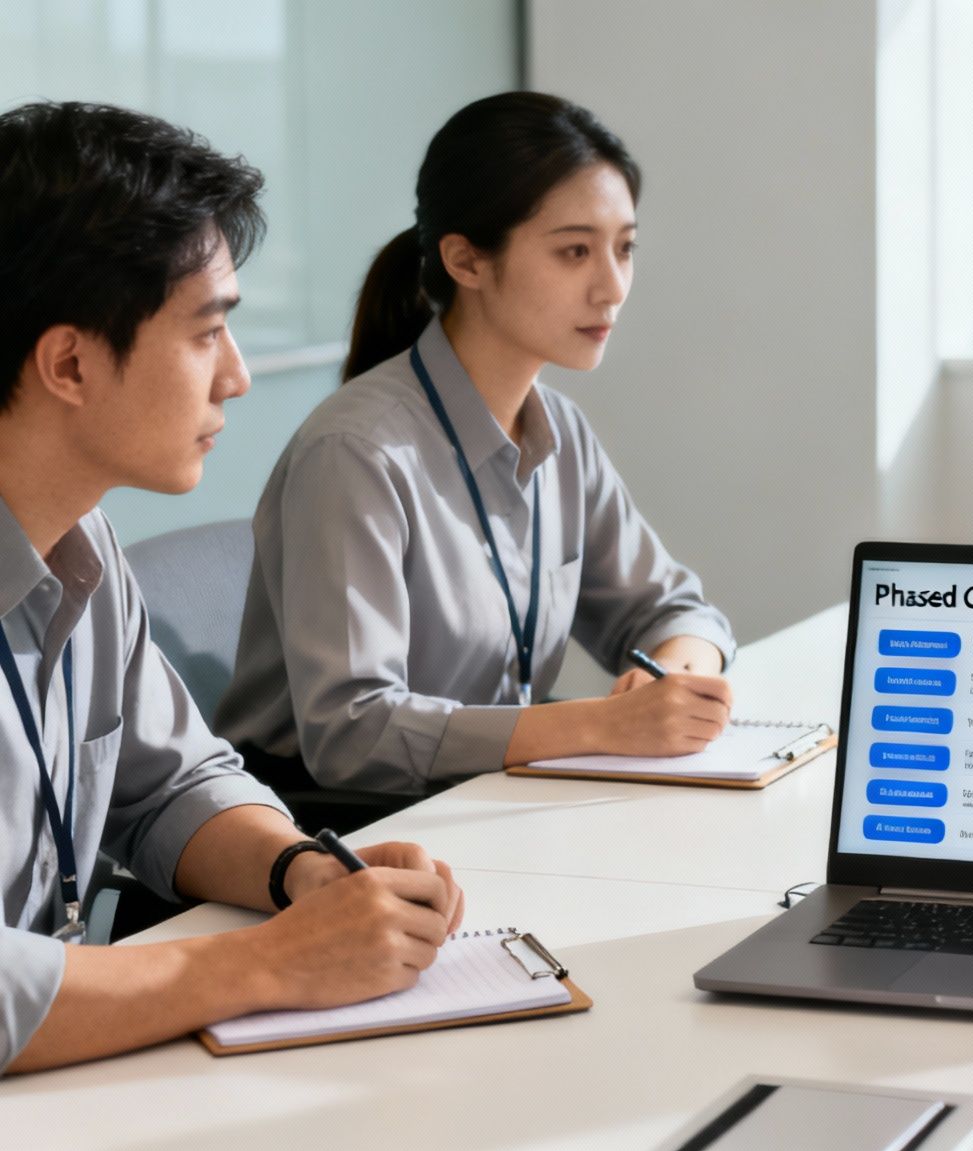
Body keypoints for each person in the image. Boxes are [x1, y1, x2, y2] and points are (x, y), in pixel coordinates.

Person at [0, 101, 465, 1074]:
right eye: (207, 332)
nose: (239, 378)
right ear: (70, 362)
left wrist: (301, 873)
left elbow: (169, 782)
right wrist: (258, 965)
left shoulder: (81, 542)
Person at [216, 92, 738, 799]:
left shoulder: (559, 432)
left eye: (625, 248)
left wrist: (673, 675)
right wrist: (604, 725)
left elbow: (676, 610)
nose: (612, 287)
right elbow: (353, 732)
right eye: (575, 251)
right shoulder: (356, 453)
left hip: (489, 801)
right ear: (467, 261)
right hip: (345, 831)